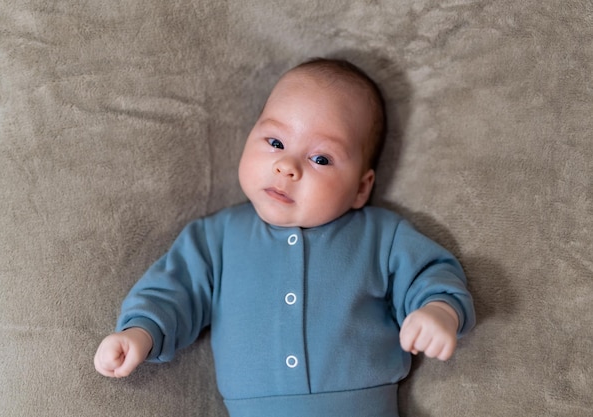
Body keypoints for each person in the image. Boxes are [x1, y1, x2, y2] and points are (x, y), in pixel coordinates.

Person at [94, 58, 475, 417]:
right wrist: (140, 333)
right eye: (275, 142)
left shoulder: (380, 235)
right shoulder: (216, 238)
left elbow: (431, 274)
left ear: (361, 187)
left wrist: (439, 311)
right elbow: (174, 291)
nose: (287, 166)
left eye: (321, 159)